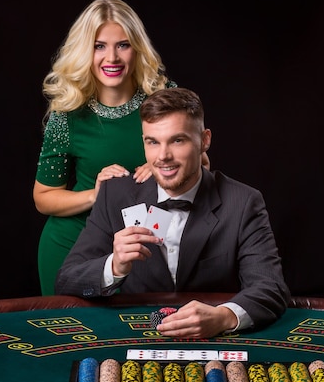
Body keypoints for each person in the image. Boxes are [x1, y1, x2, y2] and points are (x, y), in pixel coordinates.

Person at [55, 87, 291, 338]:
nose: (163, 157)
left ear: (205, 140)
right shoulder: (115, 196)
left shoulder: (243, 202)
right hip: (138, 341)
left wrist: (224, 316)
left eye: (177, 140)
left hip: (213, 343)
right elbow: (67, 279)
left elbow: (270, 287)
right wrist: (114, 265)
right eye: (153, 142)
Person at [33, 0, 209, 296]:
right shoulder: (67, 113)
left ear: (137, 49)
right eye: (99, 46)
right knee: (79, 340)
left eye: (123, 45)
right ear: (83, 51)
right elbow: (43, 197)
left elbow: (203, 164)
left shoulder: (162, 96)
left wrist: (161, 168)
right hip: (75, 244)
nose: (111, 57)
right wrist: (94, 195)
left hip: (148, 242)